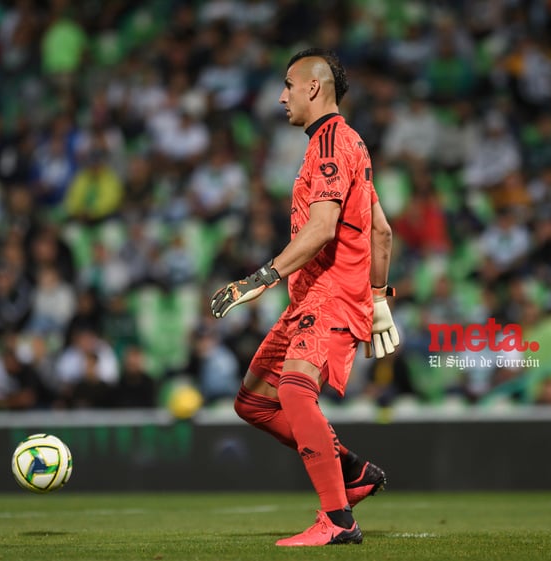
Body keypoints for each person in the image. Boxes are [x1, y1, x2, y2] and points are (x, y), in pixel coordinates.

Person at [209, 48, 399, 547]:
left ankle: (338, 520)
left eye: (288, 85)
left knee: (294, 392)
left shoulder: (333, 143)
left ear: (313, 87)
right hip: (315, 298)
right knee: (253, 402)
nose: (281, 96)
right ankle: (351, 471)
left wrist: (259, 279)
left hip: (330, 295)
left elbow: (321, 228)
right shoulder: (341, 143)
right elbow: (381, 230)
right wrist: (377, 299)